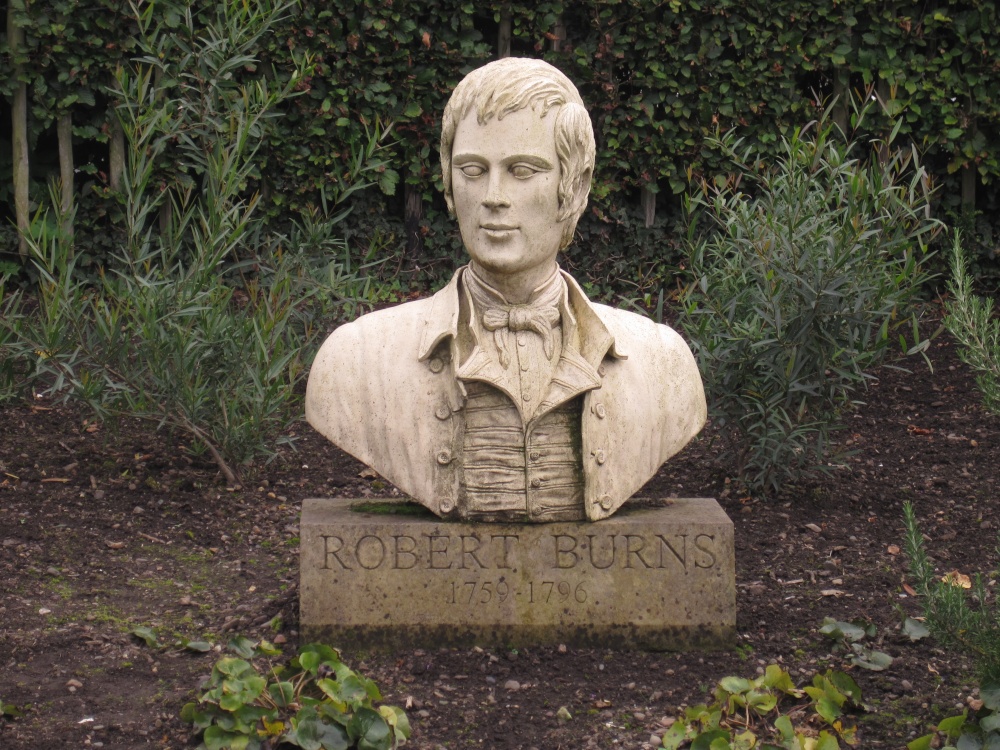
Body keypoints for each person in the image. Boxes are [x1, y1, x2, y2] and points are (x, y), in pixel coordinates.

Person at [306, 57, 706, 522]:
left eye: (522, 170)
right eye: (473, 170)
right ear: (450, 187)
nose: (493, 195)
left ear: (573, 188)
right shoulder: (355, 361)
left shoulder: (664, 364)